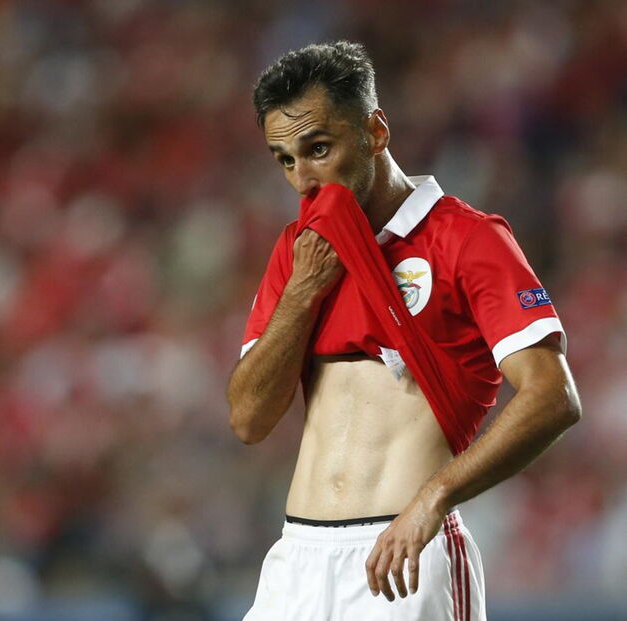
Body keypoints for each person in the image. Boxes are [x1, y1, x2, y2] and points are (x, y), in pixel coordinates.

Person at [227, 40, 581, 620]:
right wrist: (302, 293)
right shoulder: (298, 253)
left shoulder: (469, 239)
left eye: (318, 149)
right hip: (297, 560)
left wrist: (434, 499)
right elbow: (249, 418)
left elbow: (553, 396)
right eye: (285, 159)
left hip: (404, 557)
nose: (303, 181)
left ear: (375, 132)